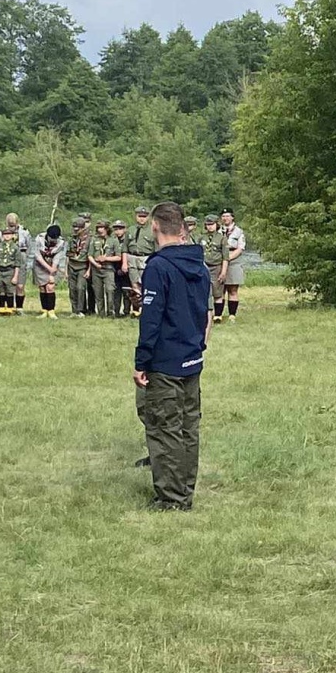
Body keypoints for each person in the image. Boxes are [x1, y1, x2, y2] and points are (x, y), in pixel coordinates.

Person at [133, 201, 211, 511]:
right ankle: (185, 491)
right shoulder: (199, 265)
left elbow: (151, 320)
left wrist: (141, 361)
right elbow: (203, 312)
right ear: (182, 228)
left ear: (154, 226)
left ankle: (172, 498)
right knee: (188, 428)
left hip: (165, 362)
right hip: (192, 356)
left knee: (164, 429)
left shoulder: (158, 266)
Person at [124, 206, 156, 318]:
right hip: (132, 257)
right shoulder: (131, 229)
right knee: (134, 285)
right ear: (136, 216)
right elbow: (125, 247)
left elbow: (156, 248)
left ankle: (146, 309)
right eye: (140, 216)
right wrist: (124, 262)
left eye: (144, 216)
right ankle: (136, 310)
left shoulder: (152, 230)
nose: (142, 218)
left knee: (145, 284)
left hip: (146, 258)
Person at [199, 214, 230, 324]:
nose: (210, 226)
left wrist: (223, 272)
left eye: (212, 224)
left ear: (217, 225)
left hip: (216, 267)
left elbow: (225, 257)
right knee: (203, 291)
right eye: (208, 224)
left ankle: (217, 315)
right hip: (204, 266)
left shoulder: (222, 238)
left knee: (217, 292)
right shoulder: (202, 238)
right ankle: (204, 314)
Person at [32, 224, 67, 319]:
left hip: (52, 263)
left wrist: (52, 271)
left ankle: (51, 311)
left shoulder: (61, 242)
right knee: (42, 287)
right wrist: (48, 267)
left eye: (55, 238)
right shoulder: (39, 239)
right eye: (52, 238)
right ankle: (44, 310)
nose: (53, 240)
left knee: (50, 287)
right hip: (40, 264)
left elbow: (57, 257)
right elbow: (37, 255)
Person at [89, 220, 123, 318]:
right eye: (98, 228)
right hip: (96, 269)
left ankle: (110, 312)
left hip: (108, 269)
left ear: (107, 229)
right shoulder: (94, 239)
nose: (100, 230)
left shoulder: (113, 240)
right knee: (98, 292)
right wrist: (95, 264)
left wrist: (106, 258)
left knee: (110, 290)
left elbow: (118, 257)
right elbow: (90, 255)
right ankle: (101, 313)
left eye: (102, 227)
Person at [220, 209, 246, 321]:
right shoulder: (218, 231)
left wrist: (228, 257)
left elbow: (240, 248)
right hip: (219, 261)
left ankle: (232, 315)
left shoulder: (239, 232)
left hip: (234, 260)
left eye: (227, 216)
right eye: (223, 216)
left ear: (232, 217)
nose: (225, 218)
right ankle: (218, 314)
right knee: (220, 290)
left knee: (233, 289)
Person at [5, 213, 31, 313]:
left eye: (13, 225)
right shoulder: (3, 232)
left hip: (21, 256)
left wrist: (24, 257)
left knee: (20, 285)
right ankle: (10, 307)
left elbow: (29, 246)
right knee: (9, 285)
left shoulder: (24, 231)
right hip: (8, 258)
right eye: (10, 225)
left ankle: (19, 308)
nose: (12, 227)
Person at [0, 228, 21, 315]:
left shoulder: (15, 247)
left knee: (9, 291)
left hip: (10, 271)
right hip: (0, 270)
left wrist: (15, 276)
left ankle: (9, 308)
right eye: (5, 234)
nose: (7, 236)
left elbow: (17, 263)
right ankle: (1, 308)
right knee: (1, 291)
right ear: (2, 236)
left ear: (12, 236)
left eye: (9, 234)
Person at [66, 217, 91, 317]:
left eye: (78, 229)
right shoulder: (72, 238)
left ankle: (81, 310)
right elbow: (68, 254)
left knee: (80, 288)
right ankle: (74, 310)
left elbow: (90, 256)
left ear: (83, 228)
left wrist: (89, 270)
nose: (76, 230)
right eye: (74, 228)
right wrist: (65, 270)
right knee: (72, 289)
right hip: (72, 265)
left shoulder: (89, 239)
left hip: (83, 266)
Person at [111, 220, 132, 317]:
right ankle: (116, 311)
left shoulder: (128, 240)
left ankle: (126, 311)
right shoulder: (112, 240)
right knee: (116, 291)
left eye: (120, 229)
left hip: (126, 268)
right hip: (115, 268)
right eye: (116, 229)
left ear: (125, 229)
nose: (118, 231)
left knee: (127, 291)